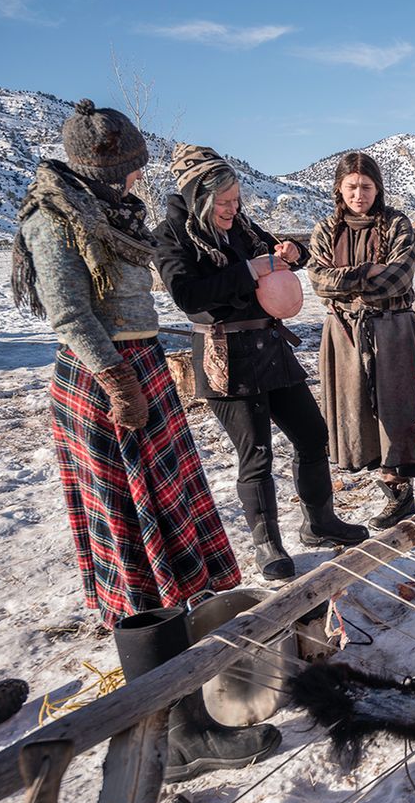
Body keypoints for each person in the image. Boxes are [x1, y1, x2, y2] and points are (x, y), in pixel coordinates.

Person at [12, 100, 241, 626]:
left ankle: (186, 591)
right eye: (132, 166)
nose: (140, 174)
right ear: (107, 170)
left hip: (144, 361)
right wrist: (117, 380)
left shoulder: (112, 213)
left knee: (168, 487)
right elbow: (69, 312)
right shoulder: (54, 222)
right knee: (126, 497)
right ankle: (145, 613)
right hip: (103, 373)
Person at [155, 144, 367, 581]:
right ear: (199, 197)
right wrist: (251, 271)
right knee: (256, 454)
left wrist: (292, 251)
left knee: (312, 434)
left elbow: (292, 255)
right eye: (225, 202)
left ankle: (319, 521)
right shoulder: (172, 236)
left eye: (237, 200)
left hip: (269, 347)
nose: (234, 209)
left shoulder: (242, 226)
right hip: (225, 356)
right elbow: (187, 295)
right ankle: (266, 544)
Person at [308, 153, 415, 530]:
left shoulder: (395, 224)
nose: (358, 194)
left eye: (366, 186)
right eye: (351, 187)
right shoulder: (326, 230)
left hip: (394, 331)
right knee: (366, 417)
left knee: (408, 411)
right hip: (344, 336)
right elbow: (318, 281)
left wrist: (345, 279)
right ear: (339, 188)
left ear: (377, 188)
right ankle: (398, 498)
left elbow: (399, 278)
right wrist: (367, 273)